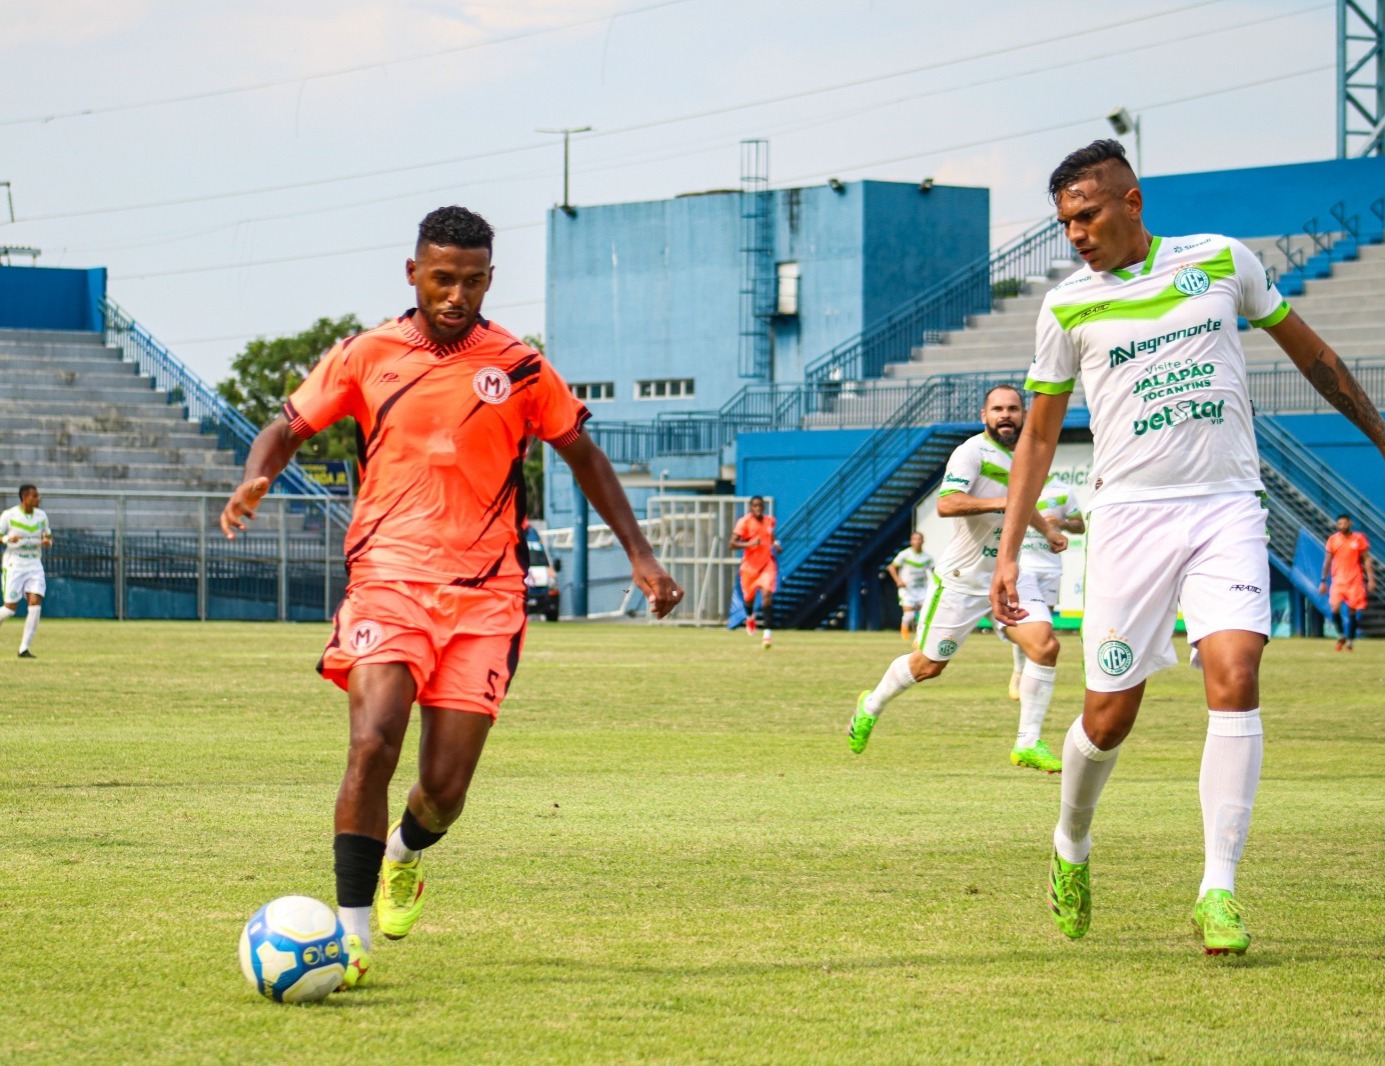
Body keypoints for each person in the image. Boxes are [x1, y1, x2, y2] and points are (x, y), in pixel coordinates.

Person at [220, 206, 683, 990]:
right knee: (373, 741)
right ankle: (352, 935)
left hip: (486, 597)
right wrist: (256, 475)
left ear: (489, 280)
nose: (455, 294)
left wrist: (639, 554)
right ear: (413, 273)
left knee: (443, 791)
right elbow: (286, 425)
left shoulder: (520, 366)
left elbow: (583, 453)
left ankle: (404, 855)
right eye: (441, 278)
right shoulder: (366, 354)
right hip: (388, 579)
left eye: (471, 281)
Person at [992, 139, 1385, 956]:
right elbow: (1035, 437)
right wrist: (1007, 552)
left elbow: (1309, 353)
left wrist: (1378, 433)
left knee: (1235, 675)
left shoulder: (1219, 261)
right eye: (1065, 223)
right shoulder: (1067, 307)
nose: (1076, 235)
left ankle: (1218, 889)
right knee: (1107, 718)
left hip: (1224, 506)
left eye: (1088, 215)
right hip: (1129, 519)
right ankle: (1070, 843)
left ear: (1131, 202)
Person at [847, 385, 1069, 773]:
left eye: (1013, 409)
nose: (1006, 415)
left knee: (1046, 647)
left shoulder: (1028, 455)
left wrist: (1047, 531)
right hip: (963, 579)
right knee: (928, 666)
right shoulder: (971, 452)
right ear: (984, 415)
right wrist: (1007, 501)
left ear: (1024, 415)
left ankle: (1028, 743)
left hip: (1010, 575)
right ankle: (871, 704)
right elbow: (948, 503)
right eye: (997, 409)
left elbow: (1024, 499)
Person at [1006, 475, 1084, 699]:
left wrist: (1063, 523)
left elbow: (1080, 526)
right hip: (1024, 565)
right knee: (1022, 622)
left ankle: (1033, 678)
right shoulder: (1020, 484)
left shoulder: (1062, 490)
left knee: (1044, 628)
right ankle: (1019, 673)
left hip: (1050, 567)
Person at [0, 484, 53, 659]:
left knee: (35, 603)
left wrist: (47, 542)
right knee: (10, 609)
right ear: (25, 497)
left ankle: (24, 648)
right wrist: (8, 538)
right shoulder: (9, 515)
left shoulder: (42, 516)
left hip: (34, 564)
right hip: (14, 563)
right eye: (35, 496)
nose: (38, 499)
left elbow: (48, 536)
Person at [730, 495, 781, 648]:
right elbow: (731, 544)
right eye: (755, 506)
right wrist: (750, 543)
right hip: (750, 567)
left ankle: (767, 635)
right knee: (749, 600)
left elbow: (770, 536)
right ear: (751, 508)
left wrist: (776, 544)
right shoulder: (744, 522)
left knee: (766, 596)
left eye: (760, 506)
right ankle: (750, 617)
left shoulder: (770, 520)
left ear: (764, 507)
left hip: (767, 564)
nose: (758, 508)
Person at [1320, 514, 1374, 651]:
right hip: (1338, 580)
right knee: (1335, 607)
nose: (1342, 526)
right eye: (1340, 524)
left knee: (1352, 611)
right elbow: (1327, 561)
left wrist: (1371, 579)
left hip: (1355, 579)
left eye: (1345, 523)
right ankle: (1341, 635)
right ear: (1337, 525)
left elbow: (1367, 559)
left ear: (1350, 524)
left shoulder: (1359, 538)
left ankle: (1350, 641)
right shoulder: (1333, 540)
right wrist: (1323, 581)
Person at [887, 531, 935, 641]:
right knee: (910, 615)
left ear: (923, 541)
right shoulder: (905, 554)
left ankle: (920, 638)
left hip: (922, 589)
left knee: (925, 615)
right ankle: (904, 636)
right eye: (915, 539)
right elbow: (891, 567)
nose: (917, 541)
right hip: (907, 589)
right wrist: (898, 581)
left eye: (919, 539)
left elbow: (934, 571)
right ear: (911, 541)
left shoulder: (927, 557)